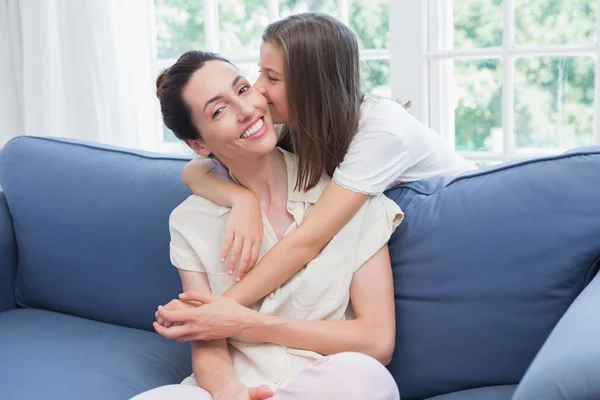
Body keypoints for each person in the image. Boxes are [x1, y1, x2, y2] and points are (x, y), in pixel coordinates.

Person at [132, 51, 403, 400]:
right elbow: (208, 343)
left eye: (243, 89)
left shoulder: (347, 197)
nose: (245, 110)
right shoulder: (190, 222)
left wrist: (246, 323)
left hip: (324, 384)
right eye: (219, 110)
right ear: (198, 144)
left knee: (365, 378)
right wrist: (231, 392)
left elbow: (377, 342)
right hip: (233, 388)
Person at [180, 13, 476, 307]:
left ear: (313, 87)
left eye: (272, 77)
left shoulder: (383, 132)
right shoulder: (297, 123)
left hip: (461, 227)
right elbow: (196, 169)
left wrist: (218, 312)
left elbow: (308, 240)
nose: (258, 88)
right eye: (260, 72)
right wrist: (241, 200)